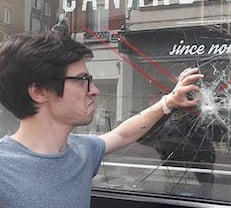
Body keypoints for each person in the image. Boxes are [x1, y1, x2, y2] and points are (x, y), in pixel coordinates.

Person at [0, 30, 203, 207]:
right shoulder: (4, 169)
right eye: (83, 81)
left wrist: (169, 101)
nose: (95, 91)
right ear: (39, 91)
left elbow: (122, 134)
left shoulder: (82, 151)